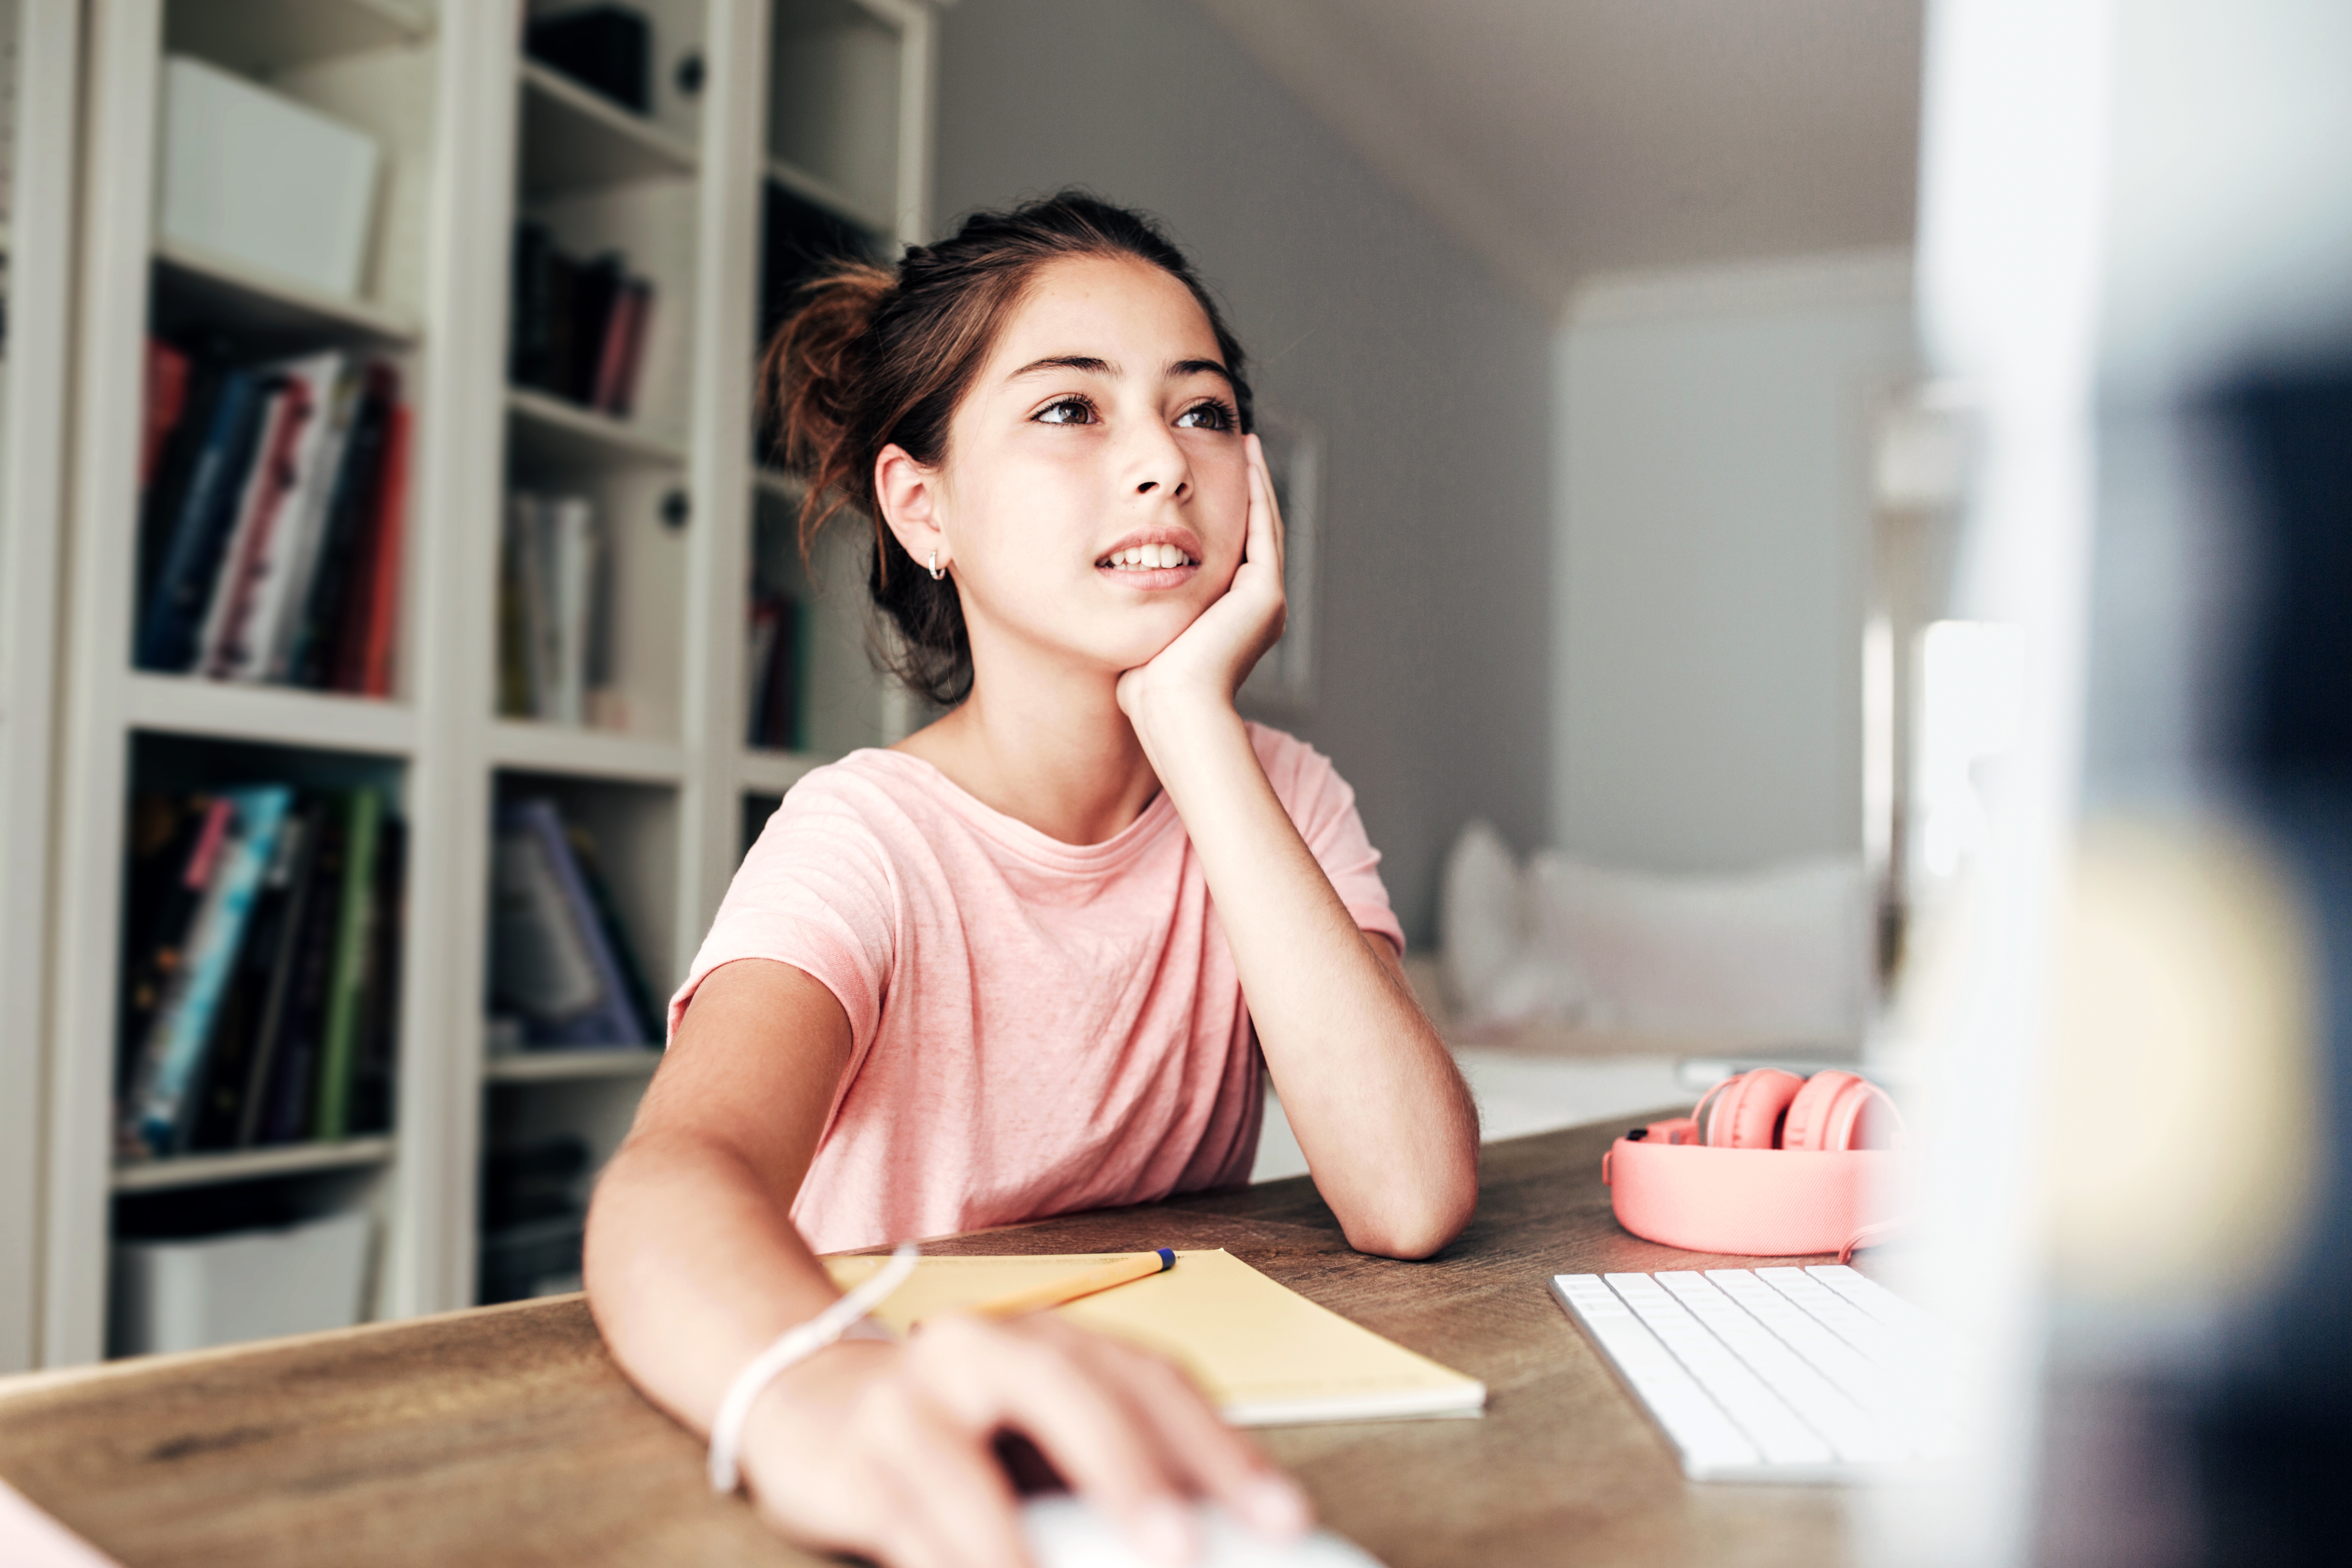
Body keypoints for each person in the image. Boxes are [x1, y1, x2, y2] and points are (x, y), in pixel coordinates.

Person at [584, 192, 1480, 1568]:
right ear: (922, 506)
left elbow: (1411, 1194)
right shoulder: (864, 835)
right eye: (1072, 411)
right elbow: (671, 1182)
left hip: (1164, 1435)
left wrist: (1192, 728)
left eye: (1207, 413)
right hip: (907, 1457)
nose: (1164, 466)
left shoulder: (1284, 797)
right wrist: (824, 1397)